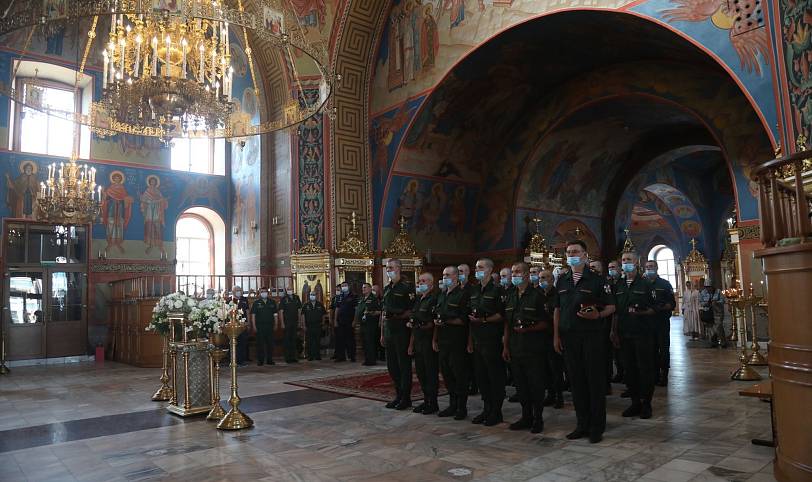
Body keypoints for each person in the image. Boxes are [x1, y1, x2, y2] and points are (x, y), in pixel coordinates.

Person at [554, 240, 616, 443]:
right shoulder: (562, 281)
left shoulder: (598, 280)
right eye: (569, 251)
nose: (572, 254)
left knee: (594, 381)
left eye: (576, 251)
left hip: (591, 336)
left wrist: (597, 316)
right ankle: (582, 424)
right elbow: (557, 309)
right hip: (569, 337)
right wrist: (556, 335)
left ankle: (597, 426)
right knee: (576, 382)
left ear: (584, 255)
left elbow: (611, 307)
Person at [504, 262, 551, 433]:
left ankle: (538, 418)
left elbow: (546, 323)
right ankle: (526, 416)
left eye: (518, 272)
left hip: (533, 349)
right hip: (515, 348)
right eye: (513, 271)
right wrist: (506, 346)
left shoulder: (538, 295)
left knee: (536, 385)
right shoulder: (510, 296)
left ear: (526, 275)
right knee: (521, 386)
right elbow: (507, 324)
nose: (514, 274)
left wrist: (528, 328)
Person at [612, 252, 657, 419]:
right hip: (625, 334)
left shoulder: (645, 284)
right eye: (623, 260)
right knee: (629, 369)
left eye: (628, 260)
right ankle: (635, 402)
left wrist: (642, 312)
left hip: (642, 333)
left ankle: (647, 403)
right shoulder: (619, 285)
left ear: (636, 262)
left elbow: (655, 309)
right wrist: (613, 331)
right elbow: (616, 312)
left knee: (645, 369)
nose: (625, 263)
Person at [467, 258, 506, 426]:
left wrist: (484, 320)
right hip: (477, 340)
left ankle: (496, 412)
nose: (477, 270)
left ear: (490, 270)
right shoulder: (474, 290)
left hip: (492, 339)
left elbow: (502, 315)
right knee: (481, 377)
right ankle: (487, 408)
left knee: (494, 377)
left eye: (480, 267)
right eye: (476, 267)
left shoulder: (498, 290)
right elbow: (470, 315)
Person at [434, 265, 471, 420]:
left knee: (459, 375)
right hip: (443, 341)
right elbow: (436, 316)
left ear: (456, 277)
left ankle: (461, 407)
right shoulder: (442, 295)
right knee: (447, 374)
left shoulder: (462, 295)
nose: (445, 278)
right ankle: (452, 404)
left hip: (457, 341)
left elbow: (464, 320)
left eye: (448, 275)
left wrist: (447, 320)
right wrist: (435, 338)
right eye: (443, 275)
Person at [382, 259, 415, 410]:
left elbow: (411, 310)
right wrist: (382, 334)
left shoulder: (407, 287)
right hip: (389, 331)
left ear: (399, 269)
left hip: (402, 331)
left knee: (404, 366)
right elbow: (384, 312)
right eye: (387, 267)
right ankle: (398, 395)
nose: (388, 270)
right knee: (392, 366)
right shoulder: (387, 288)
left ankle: (406, 398)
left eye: (391, 267)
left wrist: (397, 316)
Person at [408, 272, 439, 415]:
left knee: (430, 373)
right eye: (419, 281)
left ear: (431, 284)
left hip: (428, 341)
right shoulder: (419, 299)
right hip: (418, 341)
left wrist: (433, 340)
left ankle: (433, 402)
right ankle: (426, 400)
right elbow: (414, 323)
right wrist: (411, 344)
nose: (420, 283)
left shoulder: (434, 299)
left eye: (423, 281)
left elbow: (435, 323)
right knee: (420, 373)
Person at [644, 260, 676, 386]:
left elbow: (672, 304)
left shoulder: (665, 284)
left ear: (656, 268)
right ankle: (654, 374)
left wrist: (660, 308)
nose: (649, 269)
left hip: (661, 322)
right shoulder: (642, 284)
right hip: (647, 323)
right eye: (647, 267)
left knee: (663, 349)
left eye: (651, 266)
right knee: (650, 350)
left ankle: (664, 375)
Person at [539, 269, 564, 409]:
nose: (543, 280)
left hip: (553, 335)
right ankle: (550, 394)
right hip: (540, 337)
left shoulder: (557, 294)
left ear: (552, 279)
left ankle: (559, 396)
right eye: (541, 277)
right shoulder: (538, 294)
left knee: (556, 368)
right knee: (545, 368)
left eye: (546, 277)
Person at [458, 263, 479, 397]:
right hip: (458, 331)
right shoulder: (455, 289)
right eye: (458, 271)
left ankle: (474, 384)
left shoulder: (472, 289)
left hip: (469, 328)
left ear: (467, 273)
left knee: (471, 360)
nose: (460, 273)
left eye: (462, 271)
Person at [251, 287, 278, 366]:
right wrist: (254, 326)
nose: (264, 293)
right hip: (260, 326)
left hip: (270, 325)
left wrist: (276, 324)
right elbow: (253, 315)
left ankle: (270, 359)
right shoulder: (256, 303)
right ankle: (260, 360)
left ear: (268, 293)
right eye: (262, 292)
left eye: (265, 292)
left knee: (270, 343)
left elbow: (275, 315)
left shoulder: (272, 302)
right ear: (259, 293)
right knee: (260, 344)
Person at [607, 260, 624, 385]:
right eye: (609, 267)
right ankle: (619, 372)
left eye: (613, 267)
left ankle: (626, 374)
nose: (611, 269)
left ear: (620, 269)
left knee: (623, 350)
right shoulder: (608, 284)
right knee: (614, 351)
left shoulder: (623, 284)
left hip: (622, 320)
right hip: (610, 319)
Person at [357, 283, 382, 366]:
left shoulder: (374, 299)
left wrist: (371, 312)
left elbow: (380, 311)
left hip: (371, 324)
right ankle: (367, 359)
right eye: (362, 287)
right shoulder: (362, 299)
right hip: (363, 324)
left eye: (365, 287)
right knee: (365, 342)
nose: (363, 289)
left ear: (370, 289)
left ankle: (372, 360)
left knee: (370, 342)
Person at [334, 282, 358, 362]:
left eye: (345, 286)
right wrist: (335, 320)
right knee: (340, 339)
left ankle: (352, 356)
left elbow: (356, 309)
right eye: (342, 286)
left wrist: (355, 320)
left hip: (350, 320)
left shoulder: (353, 296)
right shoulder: (339, 296)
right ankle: (341, 357)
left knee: (350, 339)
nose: (344, 287)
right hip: (340, 321)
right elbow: (337, 309)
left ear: (348, 286)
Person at [279, 288, 302, 363]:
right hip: (287, 322)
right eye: (288, 289)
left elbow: (299, 310)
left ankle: (294, 357)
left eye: (290, 289)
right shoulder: (284, 299)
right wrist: (282, 323)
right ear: (286, 290)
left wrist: (299, 321)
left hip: (295, 321)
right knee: (287, 340)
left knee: (294, 340)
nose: (290, 290)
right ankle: (288, 358)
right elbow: (281, 311)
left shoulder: (296, 297)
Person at [699, 281, 725, 348]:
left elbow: (723, 300)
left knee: (719, 327)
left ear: (712, 286)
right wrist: (706, 304)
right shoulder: (703, 293)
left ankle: (723, 342)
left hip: (718, 312)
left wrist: (716, 302)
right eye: (707, 287)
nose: (708, 289)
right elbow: (700, 302)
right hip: (708, 312)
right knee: (710, 328)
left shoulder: (718, 291)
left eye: (709, 287)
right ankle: (713, 342)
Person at [229, 286, 250, 366]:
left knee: (243, 342)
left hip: (243, 325)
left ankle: (242, 361)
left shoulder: (244, 300)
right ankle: (234, 361)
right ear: (233, 291)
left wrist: (248, 323)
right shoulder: (229, 300)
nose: (239, 292)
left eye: (240, 290)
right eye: (237, 290)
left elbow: (247, 311)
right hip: (233, 326)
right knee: (234, 343)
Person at [303, 292, 327, 361]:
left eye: (314, 295)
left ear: (316, 296)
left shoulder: (320, 304)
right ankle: (310, 356)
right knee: (309, 341)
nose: (312, 296)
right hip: (309, 325)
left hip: (318, 325)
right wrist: (303, 325)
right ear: (309, 296)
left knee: (317, 341)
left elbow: (323, 315)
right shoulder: (306, 305)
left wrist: (323, 323)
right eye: (311, 295)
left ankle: (317, 355)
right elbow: (303, 315)